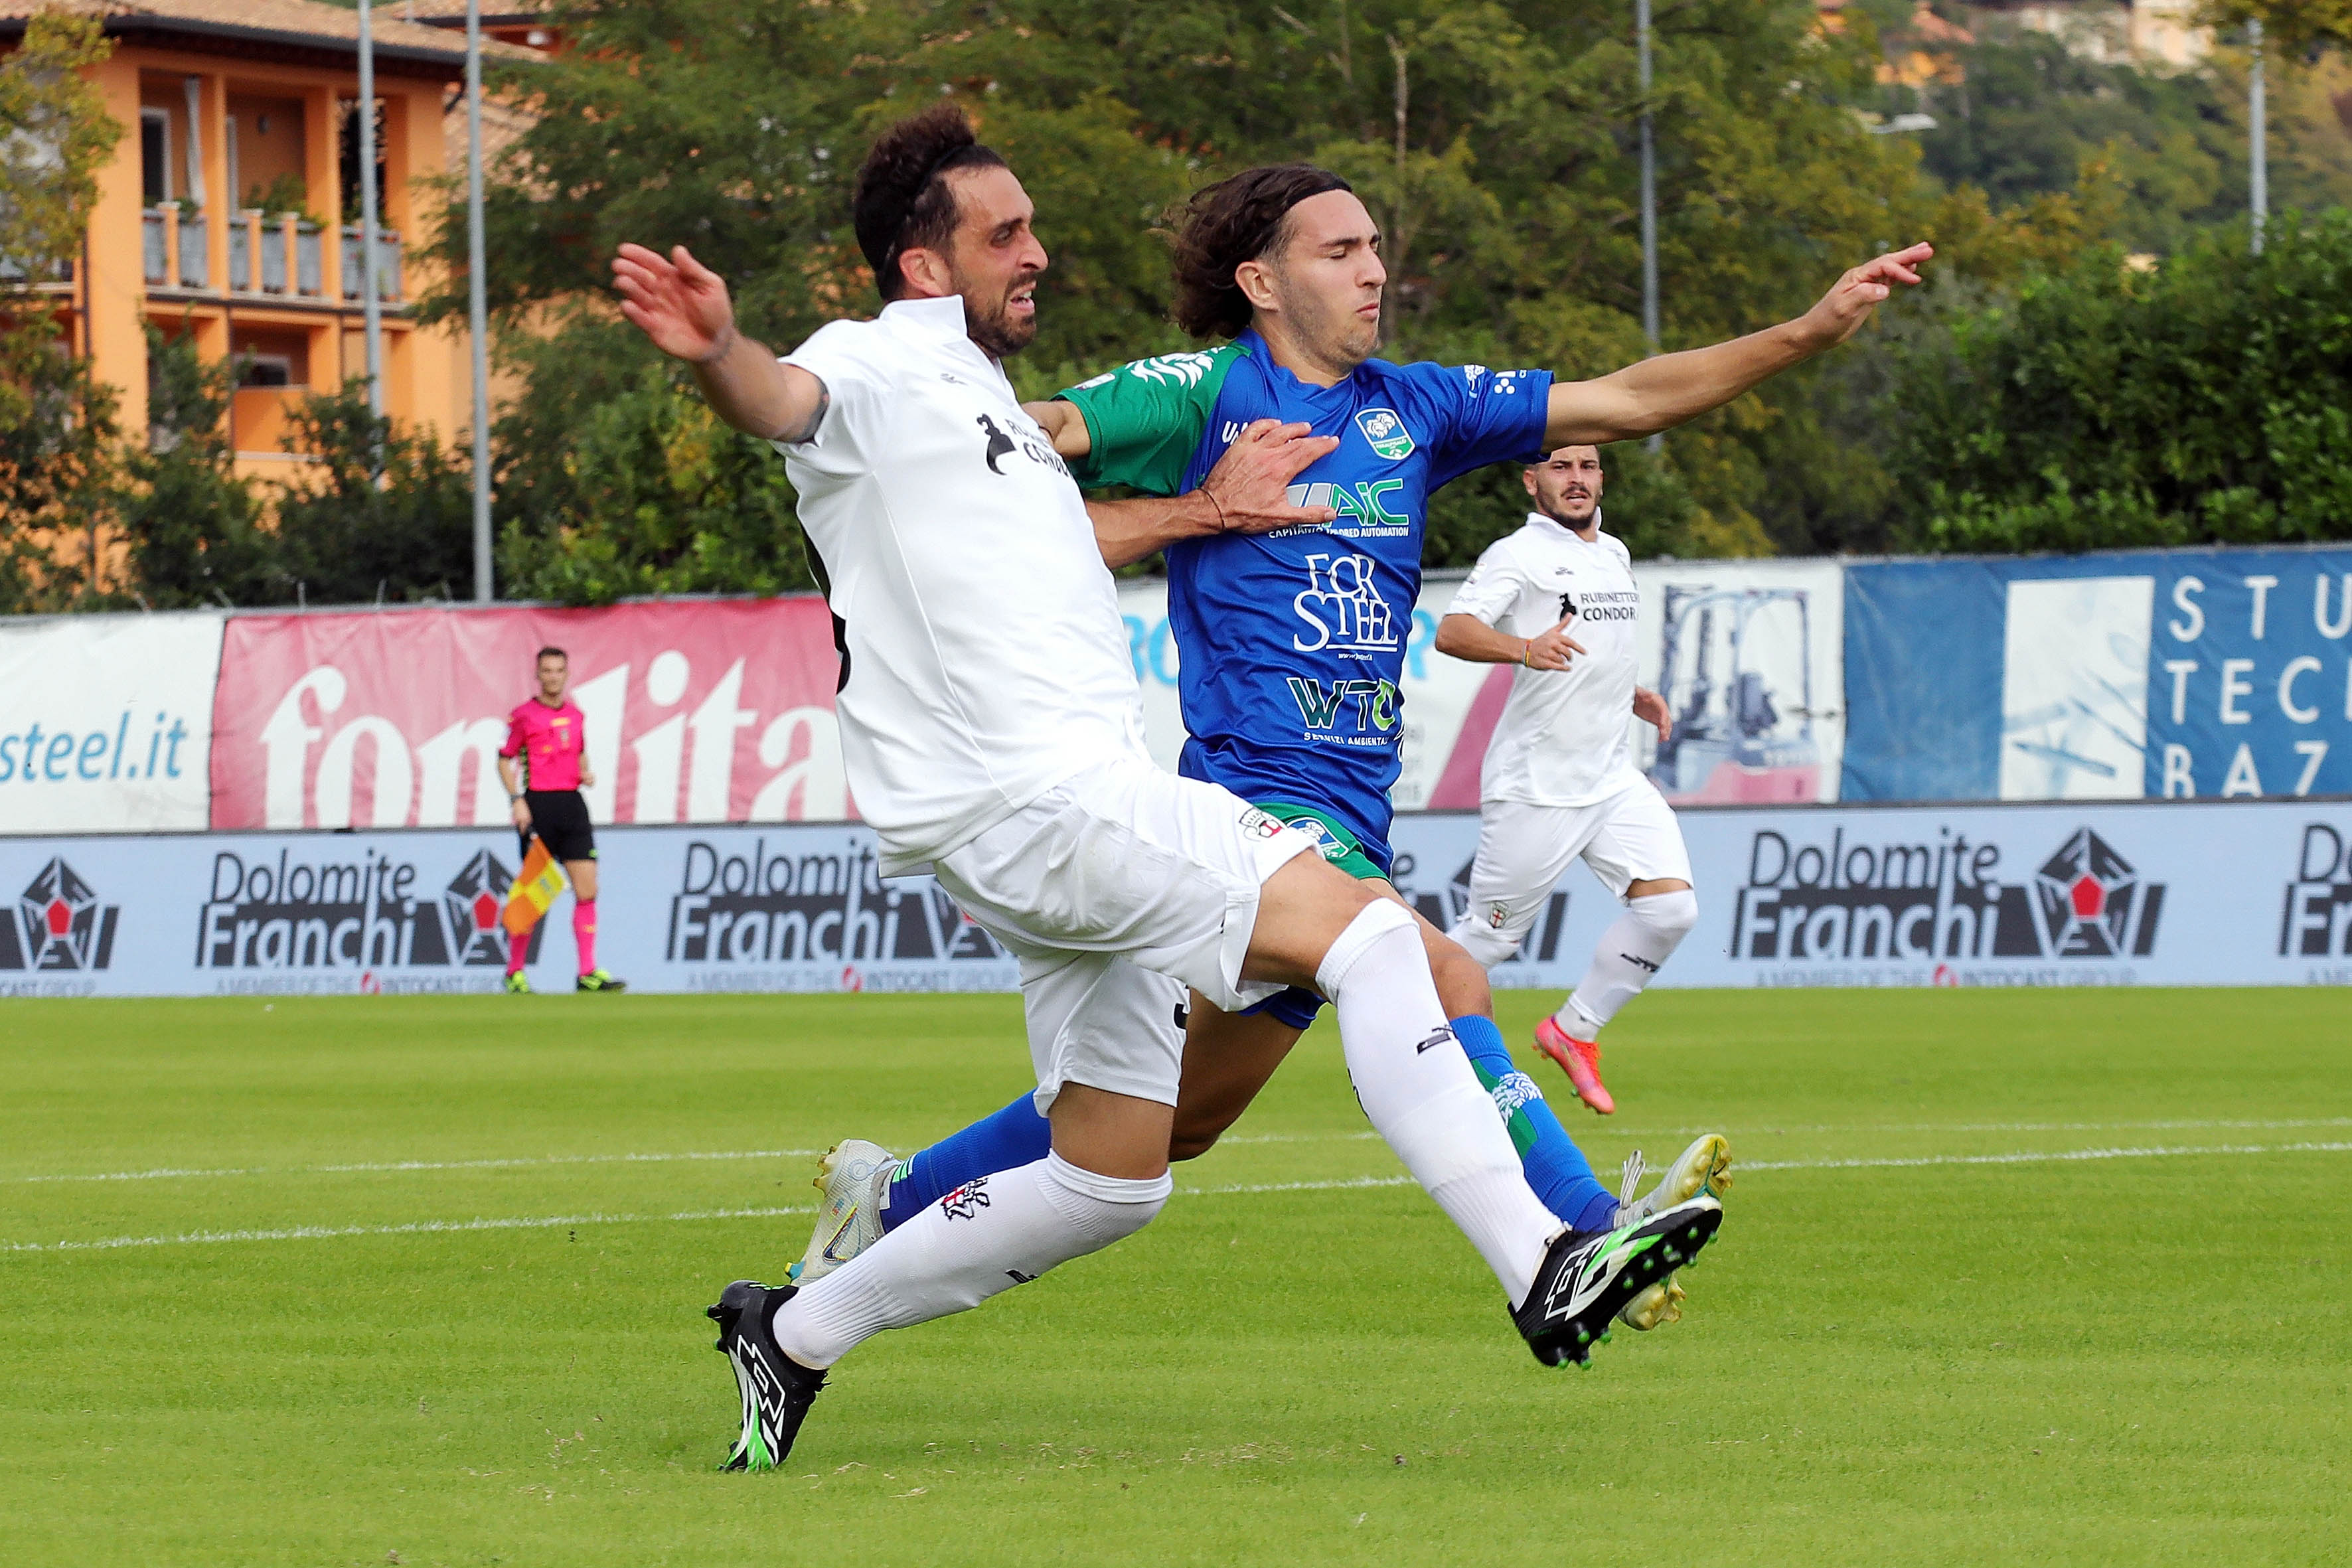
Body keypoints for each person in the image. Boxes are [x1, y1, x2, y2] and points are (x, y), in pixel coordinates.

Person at [614, 106, 1725, 1472]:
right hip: (1037, 792)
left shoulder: (984, 410)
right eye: (1002, 234)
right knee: (1382, 945)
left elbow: (1075, 539)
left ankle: (792, 1331)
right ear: (919, 265)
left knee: (1111, 1170)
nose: (1037, 252)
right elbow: (783, 401)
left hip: (1050, 800)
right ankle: (1542, 1257)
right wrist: (720, 350)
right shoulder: (880, 366)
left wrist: (1208, 510)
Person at [789, 164, 1926, 1319]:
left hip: (1352, 805)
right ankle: (1586, 1236)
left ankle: (885, 1195)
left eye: (1373, 247)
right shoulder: (1197, 393)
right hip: (1249, 799)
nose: (1372, 268)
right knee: (1441, 968)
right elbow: (1018, 454)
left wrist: (1808, 328)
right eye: (1337, 251)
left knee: (1174, 1121)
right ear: (1261, 280)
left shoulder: (1415, 406)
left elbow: (1628, 398)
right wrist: (940, 437)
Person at [1435, 445, 1687, 1115]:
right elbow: (1452, 631)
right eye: (1560, 467)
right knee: (1485, 941)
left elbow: (1592, 650)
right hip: (1535, 786)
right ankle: (1407, 1044)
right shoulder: (1516, 553)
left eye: (1588, 466)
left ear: (1602, 477)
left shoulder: (1616, 553)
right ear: (1532, 480)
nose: (1576, 480)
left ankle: (1573, 1031)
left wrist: (1631, 693)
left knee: (1671, 909)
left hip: (1609, 778)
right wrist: (1523, 648)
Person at [497, 646, 625, 994]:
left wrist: (584, 773)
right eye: (547, 671)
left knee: (588, 890)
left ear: (567, 674)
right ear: (538, 675)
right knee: (534, 894)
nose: (553, 677)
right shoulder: (523, 716)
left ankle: (586, 973)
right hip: (539, 806)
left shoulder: (576, 715)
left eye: (558, 671)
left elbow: (579, 749)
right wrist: (517, 801)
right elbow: (504, 760)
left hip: (572, 806)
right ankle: (514, 972)